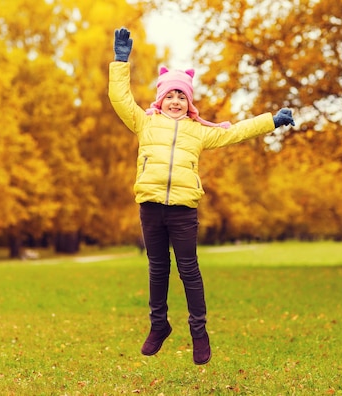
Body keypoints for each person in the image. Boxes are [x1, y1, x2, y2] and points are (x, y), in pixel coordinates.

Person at [108, 27, 295, 365]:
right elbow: (120, 99)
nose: (176, 101)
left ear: (189, 101)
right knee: (157, 268)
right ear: (160, 99)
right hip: (150, 205)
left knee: (189, 270)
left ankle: (199, 331)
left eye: (182, 96)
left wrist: (272, 121)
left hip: (183, 210)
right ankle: (158, 325)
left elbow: (236, 131)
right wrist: (121, 61)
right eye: (170, 95)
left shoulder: (199, 132)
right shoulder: (144, 124)